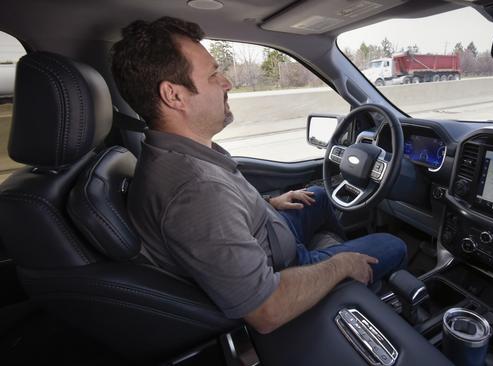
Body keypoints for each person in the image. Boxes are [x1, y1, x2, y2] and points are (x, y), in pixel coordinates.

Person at [111, 16, 407, 334]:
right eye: (213, 75)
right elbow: (266, 309)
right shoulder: (196, 191)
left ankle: (342, 266)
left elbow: (223, 214)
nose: (227, 83)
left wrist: (268, 204)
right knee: (394, 244)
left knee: (319, 196)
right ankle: (353, 291)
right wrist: (339, 266)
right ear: (174, 96)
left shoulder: (177, 154)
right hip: (281, 271)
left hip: (267, 238)